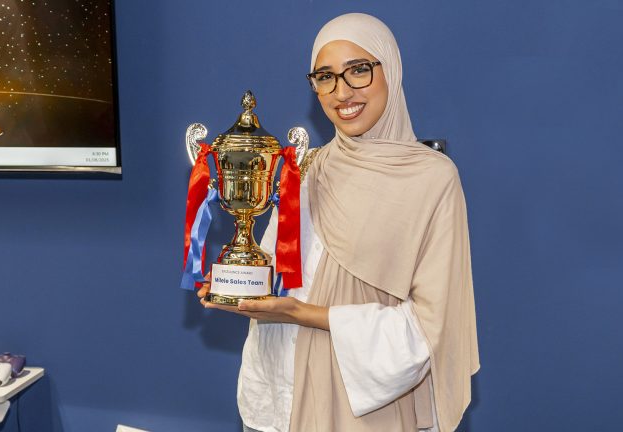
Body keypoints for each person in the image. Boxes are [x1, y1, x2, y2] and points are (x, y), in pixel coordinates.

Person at [197, 13, 479, 432]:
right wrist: (240, 286)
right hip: (278, 398)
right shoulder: (310, 167)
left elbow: (431, 328)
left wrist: (304, 314)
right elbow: (275, 272)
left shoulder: (432, 179)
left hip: (365, 408)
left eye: (359, 70)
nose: (341, 92)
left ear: (390, 69)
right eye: (325, 77)